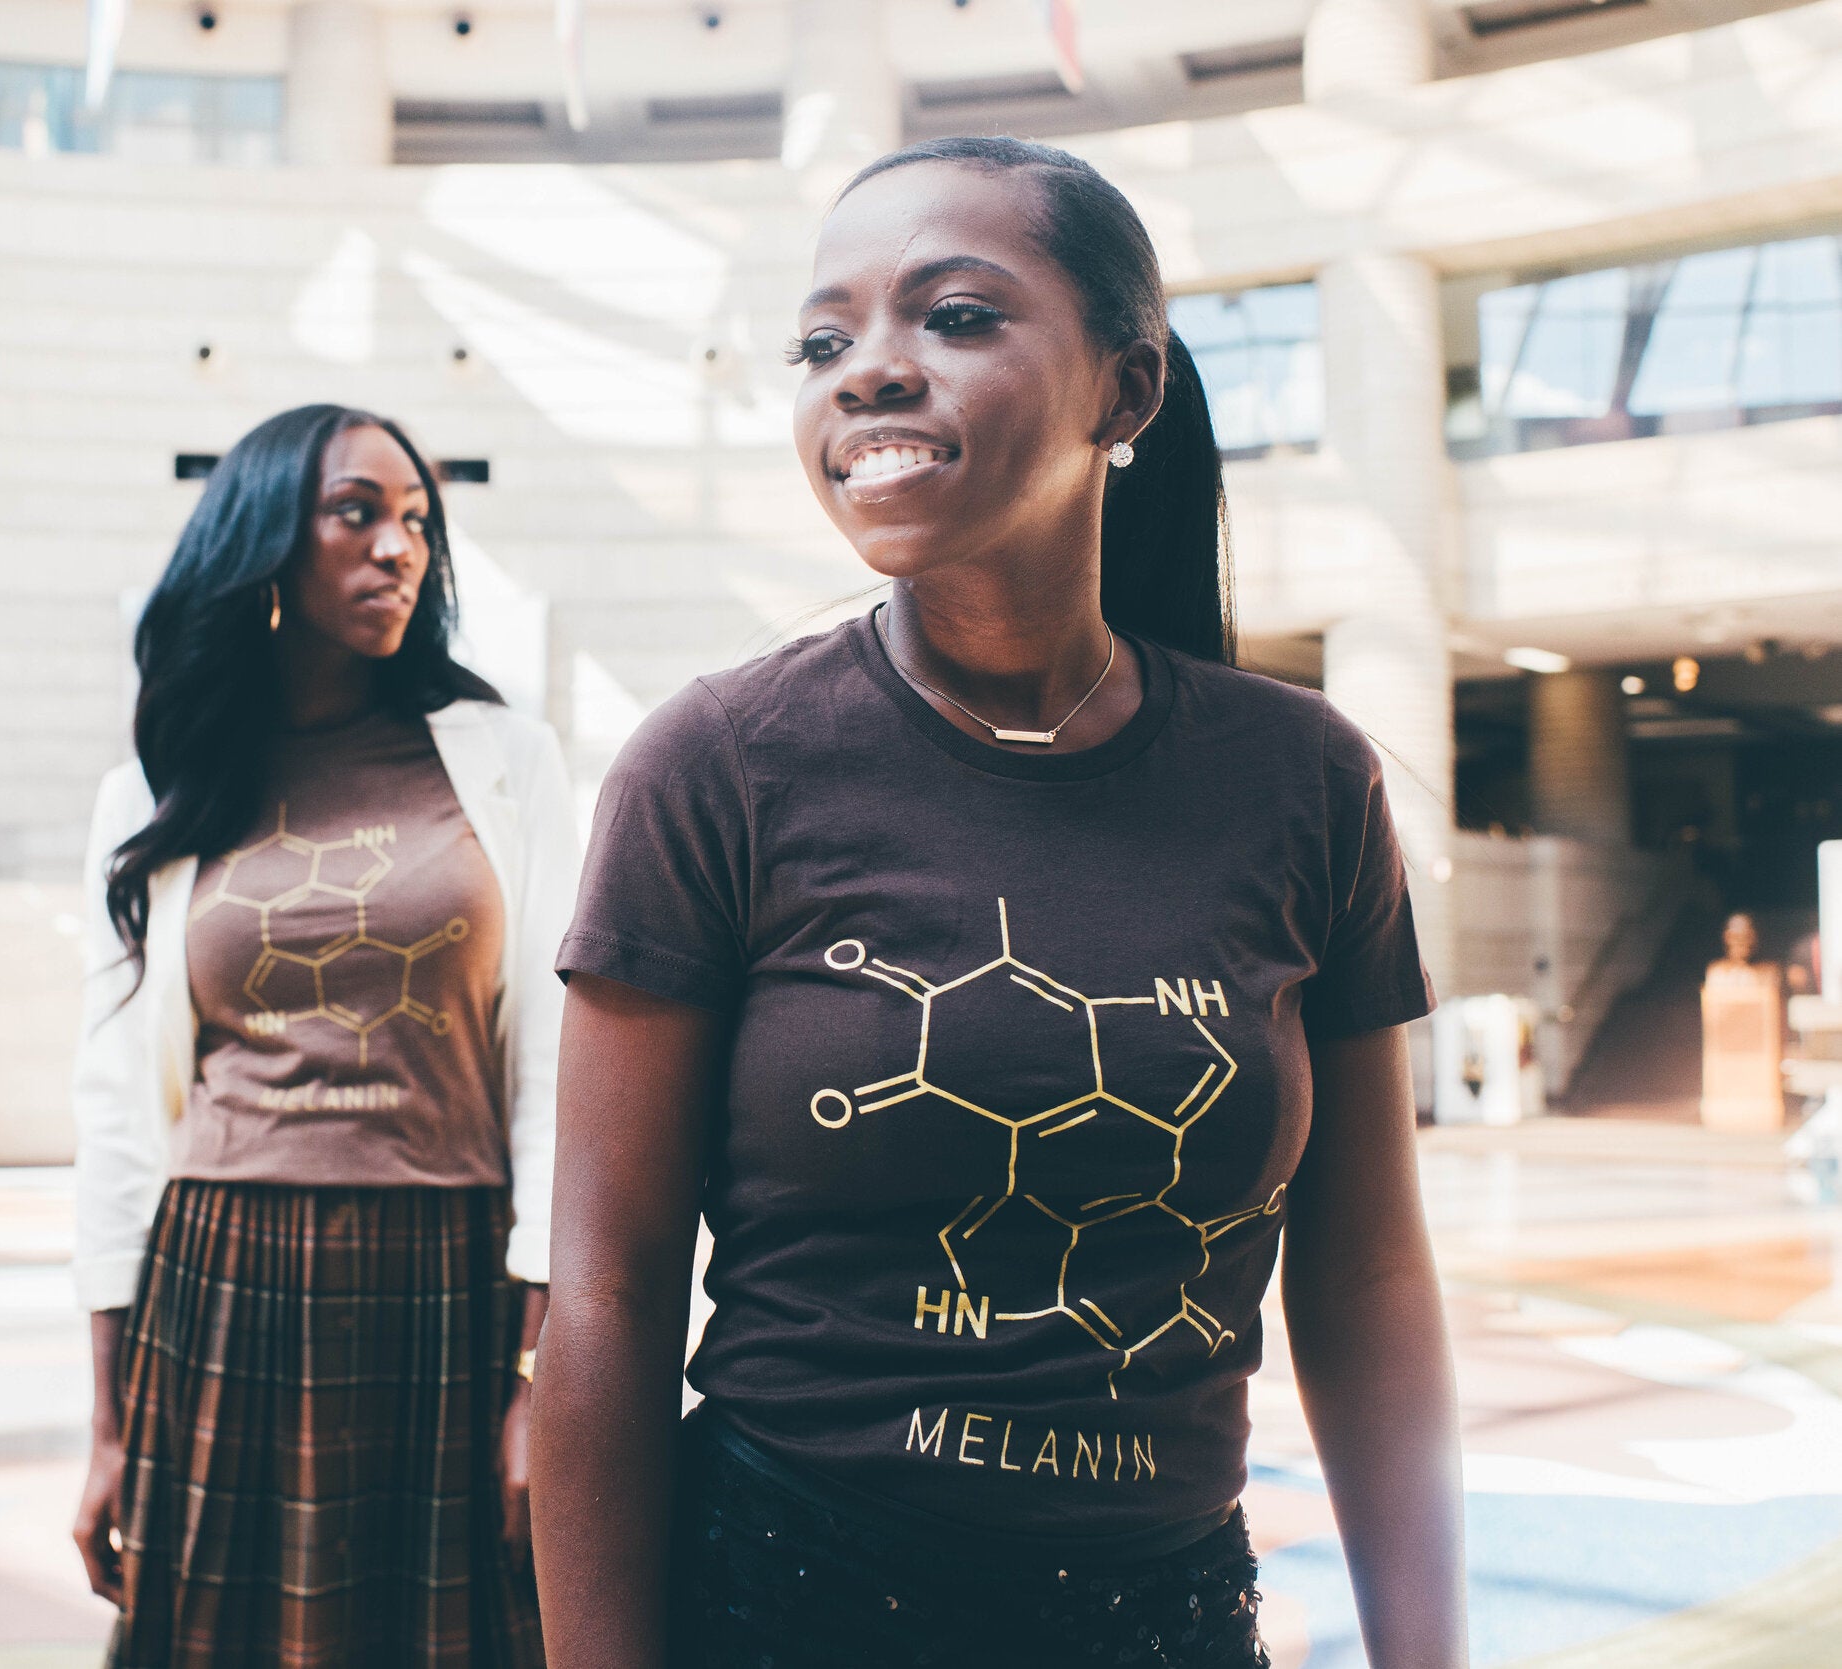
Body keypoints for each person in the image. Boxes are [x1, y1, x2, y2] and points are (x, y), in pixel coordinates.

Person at [532, 138, 1466, 1668]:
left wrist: (1427, 1655)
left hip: (1161, 1616)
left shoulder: (1304, 781)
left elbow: (1365, 1277)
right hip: (783, 1602)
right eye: (825, 342)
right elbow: (609, 1300)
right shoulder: (716, 767)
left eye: (954, 317)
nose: (867, 375)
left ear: (1130, 393)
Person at [70, 404, 576, 1668]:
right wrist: (109, 1422)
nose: (398, 546)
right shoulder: (155, 789)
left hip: (449, 1282)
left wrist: (538, 1378)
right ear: (264, 542)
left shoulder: (504, 759)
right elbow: (119, 1120)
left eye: (416, 521)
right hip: (219, 1283)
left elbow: (557, 1071)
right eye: (356, 512)